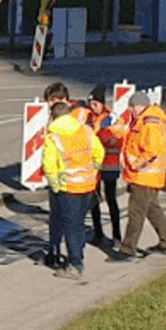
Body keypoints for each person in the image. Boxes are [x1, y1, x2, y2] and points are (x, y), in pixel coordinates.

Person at [42, 97, 104, 280]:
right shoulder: (85, 131)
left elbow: (50, 167)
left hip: (68, 189)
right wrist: (93, 171)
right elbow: (99, 152)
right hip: (87, 186)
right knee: (79, 225)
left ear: (53, 118)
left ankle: (75, 264)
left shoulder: (53, 138)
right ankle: (78, 257)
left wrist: (56, 186)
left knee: (71, 227)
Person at [114, 89, 166, 259]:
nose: (130, 111)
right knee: (152, 209)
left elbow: (152, 150)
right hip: (149, 176)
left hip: (144, 175)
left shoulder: (149, 123)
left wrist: (137, 164)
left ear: (138, 106)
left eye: (132, 108)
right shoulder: (145, 120)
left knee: (136, 212)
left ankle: (127, 250)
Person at [39, 81, 75, 268]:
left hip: (72, 177)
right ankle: (54, 250)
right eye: (51, 100)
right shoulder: (48, 120)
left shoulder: (74, 120)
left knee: (69, 218)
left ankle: (72, 257)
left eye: (57, 100)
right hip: (57, 177)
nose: (53, 104)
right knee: (56, 216)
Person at [88, 86, 127, 250]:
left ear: (103, 103)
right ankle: (98, 233)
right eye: (91, 103)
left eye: (96, 103)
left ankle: (117, 236)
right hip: (94, 166)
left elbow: (116, 137)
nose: (93, 107)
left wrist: (97, 138)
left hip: (110, 165)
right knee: (94, 200)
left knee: (111, 200)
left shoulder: (112, 117)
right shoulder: (89, 118)